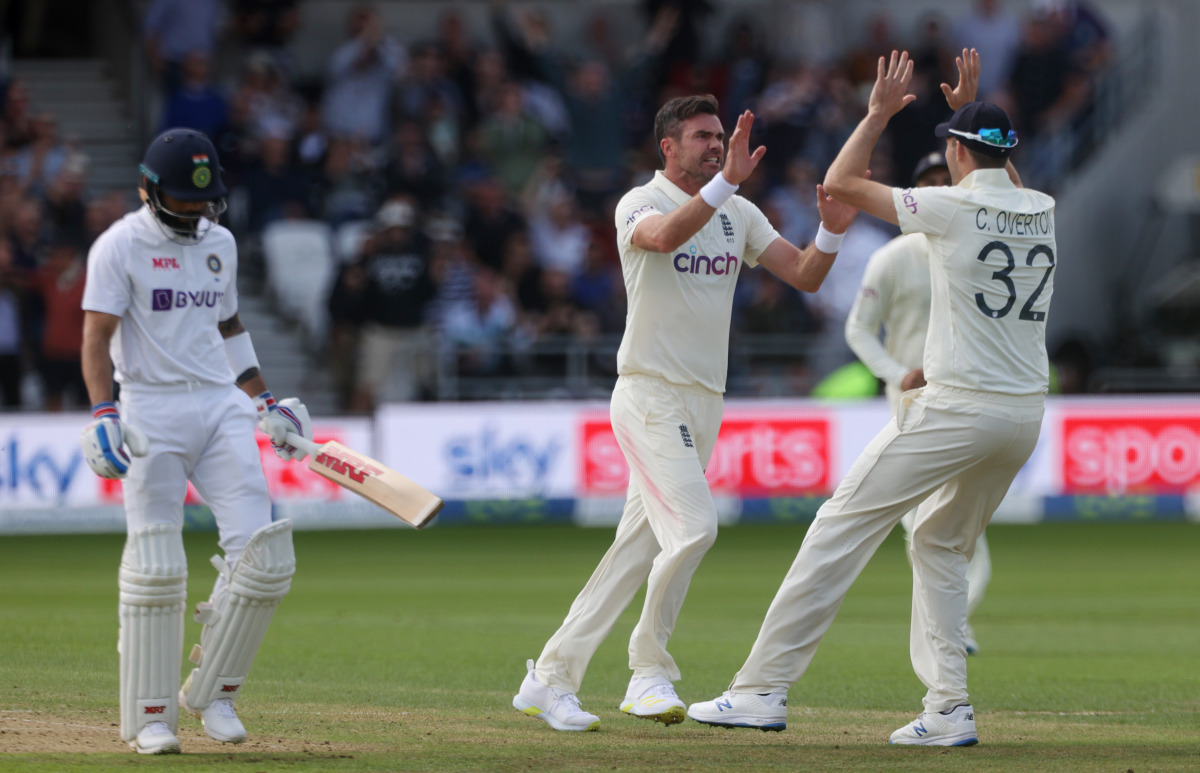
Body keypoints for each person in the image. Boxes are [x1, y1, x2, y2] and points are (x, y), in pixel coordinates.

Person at [688, 49, 1055, 747]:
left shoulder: (949, 207)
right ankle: (949, 708)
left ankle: (760, 688)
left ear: (953, 153)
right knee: (942, 544)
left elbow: (840, 181)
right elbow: (1003, 177)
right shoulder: (1040, 207)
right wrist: (966, 115)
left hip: (959, 405)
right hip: (1022, 415)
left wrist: (879, 113)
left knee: (839, 524)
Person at [512, 93, 862, 732]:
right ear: (667, 146)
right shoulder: (639, 202)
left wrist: (831, 230)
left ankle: (549, 677)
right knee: (696, 528)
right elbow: (665, 237)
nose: (715, 143)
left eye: (719, 134)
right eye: (702, 136)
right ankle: (648, 670)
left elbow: (806, 274)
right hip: (648, 392)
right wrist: (727, 180)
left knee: (633, 551)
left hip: (705, 401)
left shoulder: (741, 213)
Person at [79, 128, 314, 754]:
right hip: (150, 410)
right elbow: (95, 337)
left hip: (219, 405)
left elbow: (230, 325)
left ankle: (215, 693)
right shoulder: (118, 246)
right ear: (150, 192)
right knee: (157, 564)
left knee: (264, 558)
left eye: (204, 204)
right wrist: (104, 410)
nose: (196, 215)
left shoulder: (222, 241)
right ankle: (152, 716)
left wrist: (265, 402)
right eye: (183, 203)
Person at [844, 149, 992, 656]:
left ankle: (950, 625)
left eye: (944, 179)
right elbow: (858, 329)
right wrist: (897, 374)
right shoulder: (891, 257)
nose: (936, 188)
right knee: (925, 527)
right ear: (912, 195)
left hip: (968, 400)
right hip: (912, 406)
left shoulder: (975, 250)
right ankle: (945, 632)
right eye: (925, 182)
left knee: (964, 532)